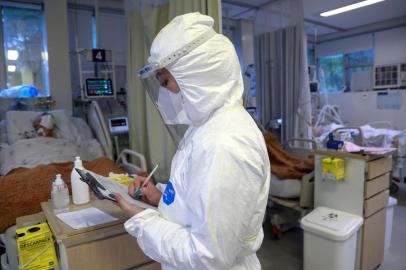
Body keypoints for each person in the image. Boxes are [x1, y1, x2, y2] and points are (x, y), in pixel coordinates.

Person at [115, 12, 270, 270]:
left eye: (165, 81)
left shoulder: (226, 145)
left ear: (198, 76)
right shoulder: (205, 127)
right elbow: (198, 198)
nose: (163, 94)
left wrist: (143, 220)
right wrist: (159, 197)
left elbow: (208, 256)